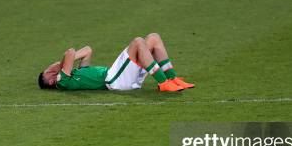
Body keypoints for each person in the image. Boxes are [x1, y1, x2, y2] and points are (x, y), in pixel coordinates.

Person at [37, 33, 195, 92]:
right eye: (49, 72)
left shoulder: (76, 75)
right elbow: (70, 52)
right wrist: (61, 63)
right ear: (51, 81)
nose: (52, 68)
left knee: (153, 38)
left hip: (120, 76)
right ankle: (163, 83)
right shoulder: (63, 82)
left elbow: (87, 50)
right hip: (114, 80)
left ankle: (172, 78)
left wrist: (65, 64)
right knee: (138, 42)